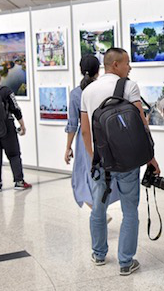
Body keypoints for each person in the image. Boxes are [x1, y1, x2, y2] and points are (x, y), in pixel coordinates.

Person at [80, 48, 160, 276]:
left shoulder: (88, 90)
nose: (130, 67)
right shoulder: (129, 87)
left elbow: (85, 131)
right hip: (127, 161)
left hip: (101, 161)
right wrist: (150, 157)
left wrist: (94, 157)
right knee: (130, 210)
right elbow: (140, 126)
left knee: (98, 207)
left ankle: (98, 254)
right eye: (127, 63)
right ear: (115, 65)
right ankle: (125, 261)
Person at [64, 55, 118, 217]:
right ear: (98, 69)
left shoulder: (75, 94)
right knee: (106, 175)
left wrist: (68, 147)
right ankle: (101, 210)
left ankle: (98, 211)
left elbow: (73, 123)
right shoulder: (105, 89)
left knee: (83, 178)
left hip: (84, 139)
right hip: (106, 135)